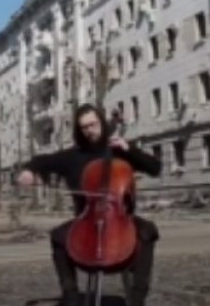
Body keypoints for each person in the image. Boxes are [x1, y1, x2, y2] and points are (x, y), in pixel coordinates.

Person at [17, 103, 162, 306]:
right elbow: (42, 161)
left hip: (121, 220)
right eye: (84, 127)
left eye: (93, 124)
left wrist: (130, 150)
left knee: (148, 231)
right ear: (79, 129)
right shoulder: (72, 157)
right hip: (86, 224)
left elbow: (155, 167)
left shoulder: (118, 150)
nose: (89, 130)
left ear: (101, 123)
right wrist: (29, 170)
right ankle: (71, 296)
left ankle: (138, 299)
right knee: (58, 236)